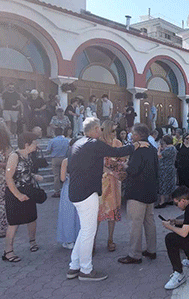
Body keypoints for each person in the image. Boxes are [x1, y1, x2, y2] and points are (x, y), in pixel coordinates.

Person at [68, 117, 139, 280]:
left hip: (76, 192)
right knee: (88, 231)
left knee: (84, 230)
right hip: (87, 193)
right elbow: (117, 152)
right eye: (99, 128)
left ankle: (74, 265)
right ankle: (86, 270)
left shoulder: (78, 142)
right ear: (94, 129)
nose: (101, 131)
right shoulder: (93, 143)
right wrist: (135, 145)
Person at [118, 123, 159, 265]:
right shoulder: (153, 149)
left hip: (137, 192)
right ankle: (151, 250)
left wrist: (124, 166)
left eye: (133, 133)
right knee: (149, 221)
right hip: (150, 190)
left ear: (138, 135)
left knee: (135, 223)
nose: (131, 135)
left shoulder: (138, 150)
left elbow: (133, 170)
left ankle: (134, 254)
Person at [2, 132, 44, 263]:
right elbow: (9, 178)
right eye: (35, 142)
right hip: (15, 193)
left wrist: (34, 177)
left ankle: (32, 242)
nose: (37, 145)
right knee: (14, 222)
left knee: (32, 218)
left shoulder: (29, 156)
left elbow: (25, 172)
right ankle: (8, 252)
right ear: (27, 144)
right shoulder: (14, 156)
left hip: (28, 190)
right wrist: (18, 195)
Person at [96, 120, 127, 252]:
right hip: (100, 181)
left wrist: (120, 170)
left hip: (114, 182)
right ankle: (91, 241)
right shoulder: (98, 144)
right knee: (96, 212)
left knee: (113, 211)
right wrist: (109, 170)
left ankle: (110, 239)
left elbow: (122, 160)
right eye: (113, 130)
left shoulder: (118, 143)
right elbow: (95, 162)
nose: (116, 133)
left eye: (116, 130)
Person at [56, 138, 80, 249]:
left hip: (68, 188)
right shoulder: (83, 159)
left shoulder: (66, 161)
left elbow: (62, 178)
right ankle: (78, 238)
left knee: (67, 214)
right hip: (80, 187)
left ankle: (68, 239)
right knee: (78, 214)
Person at [156, 135, 177, 209]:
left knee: (163, 184)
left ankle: (162, 201)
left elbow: (159, 156)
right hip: (171, 167)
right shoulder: (173, 148)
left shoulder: (168, 149)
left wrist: (159, 149)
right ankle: (170, 199)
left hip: (164, 168)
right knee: (170, 183)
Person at [47, 127, 69, 198]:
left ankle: (57, 191)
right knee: (65, 174)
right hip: (64, 158)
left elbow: (48, 150)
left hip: (55, 159)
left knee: (56, 175)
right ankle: (65, 189)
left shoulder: (52, 141)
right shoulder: (66, 140)